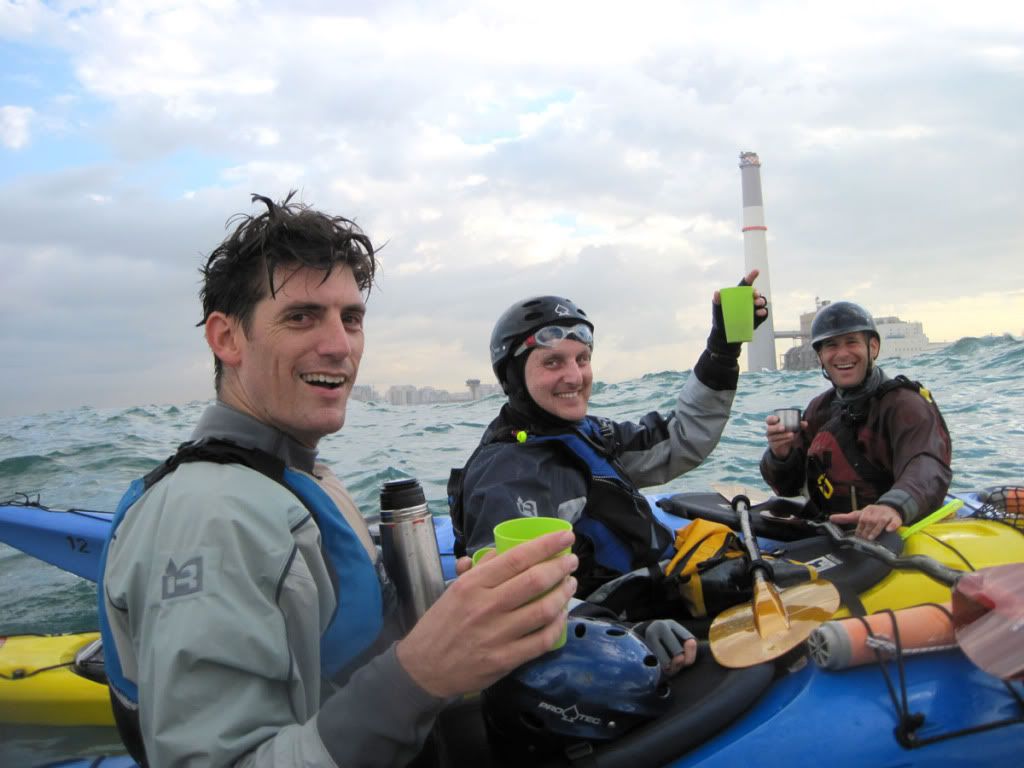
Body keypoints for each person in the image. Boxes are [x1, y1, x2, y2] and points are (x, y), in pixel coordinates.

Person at [97, 192, 579, 768]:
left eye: (351, 319)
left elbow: (345, 636)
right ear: (227, 338)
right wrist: (419, 675)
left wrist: (460, 606)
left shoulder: (297, 475)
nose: (339, 345)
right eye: (301, 316)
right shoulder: (209, 514)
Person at [448, 273, 768, 603]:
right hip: (621, 621)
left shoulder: (588, 434)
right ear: (512, 376)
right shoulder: (507, 478)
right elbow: (521, 609)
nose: (575, 377)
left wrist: (722, 349)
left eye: (582, 359)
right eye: (553, 362)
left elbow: (680, 439)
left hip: (657, 586)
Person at [759, 300, 952, 541]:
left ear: (873, 347)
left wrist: (892, 506)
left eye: (852, 342)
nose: (842, 354)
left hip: (892, 534)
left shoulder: (906, 405)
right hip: (831, 533)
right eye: (831, 345)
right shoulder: (820, 408)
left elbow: (928, 466)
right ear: (820, 356)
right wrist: (780, 455)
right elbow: (788, 488)